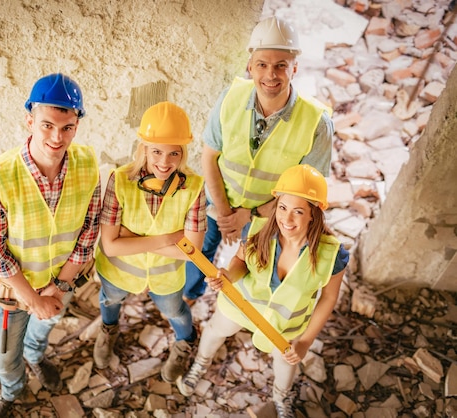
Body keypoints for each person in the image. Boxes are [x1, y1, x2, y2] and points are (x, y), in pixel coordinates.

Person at [177, 165, 349, 418]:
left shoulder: (333, 254)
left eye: (298, 211)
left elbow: (329, 298)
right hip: (242, 303)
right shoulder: (258, 230)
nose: (286, 219)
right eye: (282, 208)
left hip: (285, 321)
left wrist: (304, 342)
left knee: (287, 361)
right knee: (215, 330)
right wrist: (228, 276)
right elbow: (240, 261)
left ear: (314, 213)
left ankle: (281, 396)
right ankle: (201, 363)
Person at [0, 73, 101, 418]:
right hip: (15, 290)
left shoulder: (88, 165)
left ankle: (34, 355)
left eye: (67, 127)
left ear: (77, 125)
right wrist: (33, 298)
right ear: (30, 120)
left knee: (43, 329)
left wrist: (58, 289)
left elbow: (88, 234)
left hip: (61, 283)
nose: (57, 137)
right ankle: (11, 391)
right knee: (2, 355)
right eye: (47, 125)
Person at [183, 16, 335, 303]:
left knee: (255, 266)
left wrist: (249, 216)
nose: (271, 75)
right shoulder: (230, 97)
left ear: (295, 68)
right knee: (199, 252)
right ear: (250, 66)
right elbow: (209, 156)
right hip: (218, 202)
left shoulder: (317, 123)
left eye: (281, 66)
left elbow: (306, 196)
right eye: (262, 64)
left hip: (272, 216)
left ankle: (238, 313)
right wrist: (226, 213)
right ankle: (191, 295)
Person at [93, 101, 207, 383]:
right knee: (110, 300)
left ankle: (184, 342)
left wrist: (131, 238)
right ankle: (108, 330)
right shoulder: (119, 180)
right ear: (143, 147)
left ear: (183, 153)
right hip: (117, 273)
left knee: (176, 312)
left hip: (165, 279)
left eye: (174, 153)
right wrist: (170, 238)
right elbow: (110, 246)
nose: (165, 162)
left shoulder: (193, 187)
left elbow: (192, 252)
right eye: (156, 151)